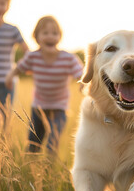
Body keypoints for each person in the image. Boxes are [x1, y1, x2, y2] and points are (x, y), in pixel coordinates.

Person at [5, 16, 83, 154]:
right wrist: (10, 76)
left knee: (52, 143)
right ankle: (32, 168)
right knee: (34, 143)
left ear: (60, 37)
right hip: (38, 107)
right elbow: (19, 68)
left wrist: (82, 83)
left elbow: (80, 73)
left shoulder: (68, 58)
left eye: (55, 33)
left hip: (59, 108)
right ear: (36, 36)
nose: (50, 37)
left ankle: (48, 168)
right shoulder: (33, 57)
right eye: (45, 33)